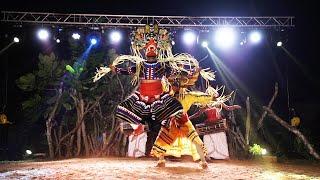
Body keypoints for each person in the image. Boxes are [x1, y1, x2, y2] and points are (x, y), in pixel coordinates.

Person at [106, 25, 208, 169]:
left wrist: (191, 72)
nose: (151, 49)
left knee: (179, 122)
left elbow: (176, 72)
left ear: (157, 51)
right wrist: (116, 69)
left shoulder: (163, 67)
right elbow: (128, 70)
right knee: (125, 111)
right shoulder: (140, 66)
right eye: (148, 48)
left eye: (153, 48)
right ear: (145, 51)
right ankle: (141, 128)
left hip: (162, 100)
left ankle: (201, 160)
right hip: (144, 97)